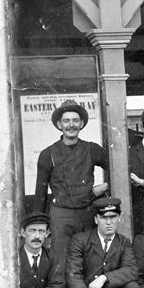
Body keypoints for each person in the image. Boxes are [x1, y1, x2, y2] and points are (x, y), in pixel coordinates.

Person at [35, 99, 109, 258]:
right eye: (66, 121)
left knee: (90, 259)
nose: (71, 125)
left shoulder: (92, 149)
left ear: (82, 123)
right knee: (61, 263)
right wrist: (38, 223)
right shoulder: (48, 154)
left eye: (75, 120)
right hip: (61, 216)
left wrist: (104, 188)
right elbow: (40, 192)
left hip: (87, 214)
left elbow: (118, 169)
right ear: (59, 124)